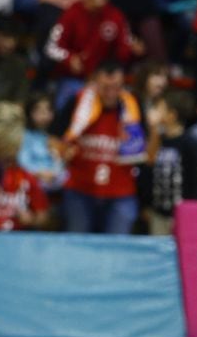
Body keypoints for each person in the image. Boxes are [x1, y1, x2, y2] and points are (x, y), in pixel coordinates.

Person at [52, 60, 146, 234]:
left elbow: (148, 153)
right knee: (77, 243)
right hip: (80, 190)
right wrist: (62, 152)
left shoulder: (134, 106)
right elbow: (53, 137)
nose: (111, 93)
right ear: (94, 82)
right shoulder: (78, 102)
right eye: (105, 87)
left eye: (116, 87)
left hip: (121, 193)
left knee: (118, 248)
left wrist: (154, 129)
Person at [44, 0, 140, 111]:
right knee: (66, 106)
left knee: (125, 106)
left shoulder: (116, 17)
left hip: (105, 82)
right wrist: (70, 59)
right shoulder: (72, 13)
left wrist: (106, 73)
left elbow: (123, 51)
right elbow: (51, 47)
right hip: (74, 79)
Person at [143, 90, 197, 233]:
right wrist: (145, 206)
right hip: (157, 213)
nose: (155, 112)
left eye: (160, 108)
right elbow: (147, 169)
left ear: (172, 115)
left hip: (181, 213)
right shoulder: (156, 139)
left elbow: (195, 181)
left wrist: (191, 211)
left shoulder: (189, 143)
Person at [18, 92, 68, 195]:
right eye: (39, 111)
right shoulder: (25, 135)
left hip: (52, 179)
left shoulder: (52, 137)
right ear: (29, 113)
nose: (44, 114)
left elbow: (59, 162)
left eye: (48, 110)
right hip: (33, 179)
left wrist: (54, 171)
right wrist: (39, 173)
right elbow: (23, 161)